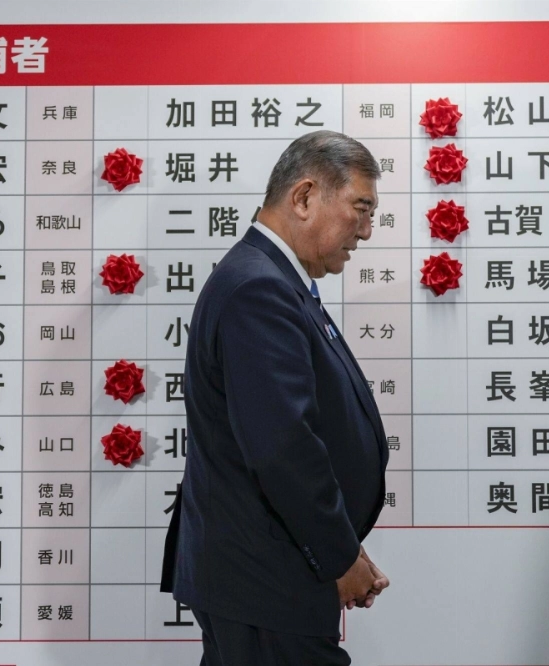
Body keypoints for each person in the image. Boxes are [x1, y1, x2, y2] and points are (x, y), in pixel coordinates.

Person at [160, 130, 391, 665]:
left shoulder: (272, 280)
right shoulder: (258, 288)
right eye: (360, 208)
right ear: (305, 196)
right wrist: (339, 557)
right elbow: (284, 447)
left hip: (270, 574)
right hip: (264, 578)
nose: (367, 230)